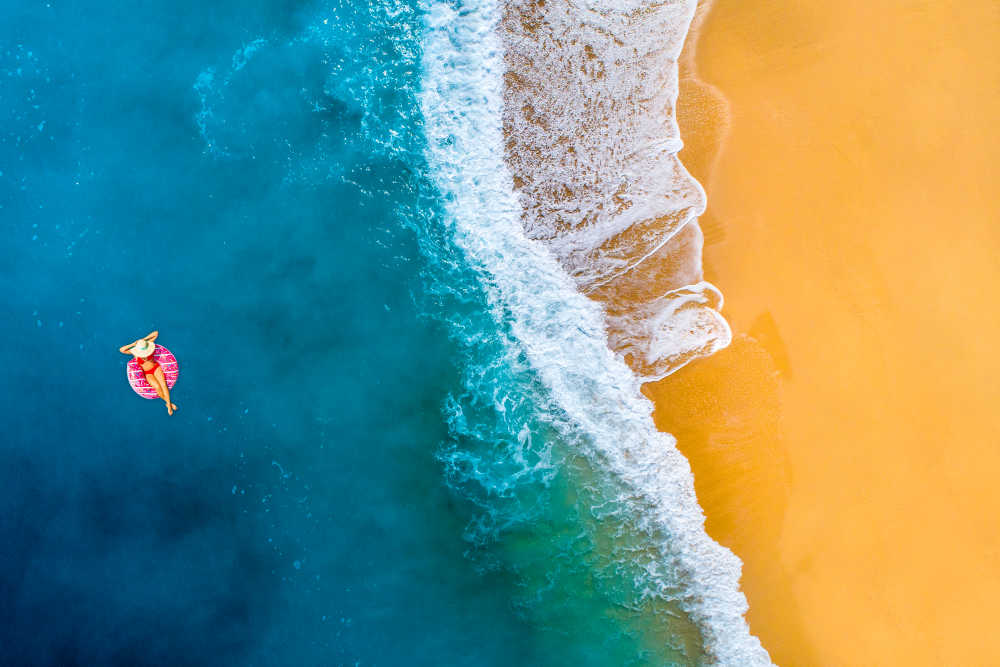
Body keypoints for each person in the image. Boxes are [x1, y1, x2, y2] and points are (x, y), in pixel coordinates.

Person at [119, 330, 178, 415]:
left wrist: (144, 340)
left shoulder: (148, 345)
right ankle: (170, 403)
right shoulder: (135, 352)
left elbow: (156, 333)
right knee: (157, 387)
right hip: (147, 373)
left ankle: (169, 406)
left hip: (156, 367)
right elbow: (121, 350)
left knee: (163, 385)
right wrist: (134, 344)